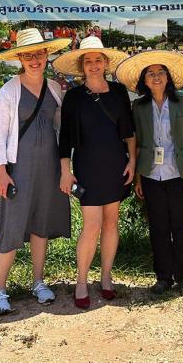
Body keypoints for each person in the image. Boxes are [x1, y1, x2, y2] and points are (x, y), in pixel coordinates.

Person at [0, 29, 72, 315]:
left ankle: (38, 281)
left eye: (39, 53)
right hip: (18, 168)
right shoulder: (9, 90)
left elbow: (60, 126)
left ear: (47, 55)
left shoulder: (53, 88)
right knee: (12, 226)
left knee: (41, 223)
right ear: (20, 58)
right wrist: (1, 170)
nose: (34, 59)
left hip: (48, 167)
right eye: (28, 55)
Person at [53, 37, 134, 310]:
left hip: (115, 164)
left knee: (112, 222)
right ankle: (81, 281)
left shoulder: (119, 91)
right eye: (88, 60)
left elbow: (129, 131)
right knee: (92, 225)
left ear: (106, 63)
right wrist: (66, 171)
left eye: (98, 59)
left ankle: (107, 276)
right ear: (82, 65)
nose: (94, 65)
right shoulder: (74, 97)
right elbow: (65, 138)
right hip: (87, 165)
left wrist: (132, 160)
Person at [115, 51, 183, 296]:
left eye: (160, 73)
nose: (156, 77)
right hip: (151, 176)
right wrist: (139, 178)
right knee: (159, 229)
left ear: (168, 77)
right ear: (144, 79)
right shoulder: (139, 106)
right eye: (150, 74)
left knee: (181, 227)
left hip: (179, 175)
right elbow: (138, 142)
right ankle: (163, 277)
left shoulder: (182, 104)